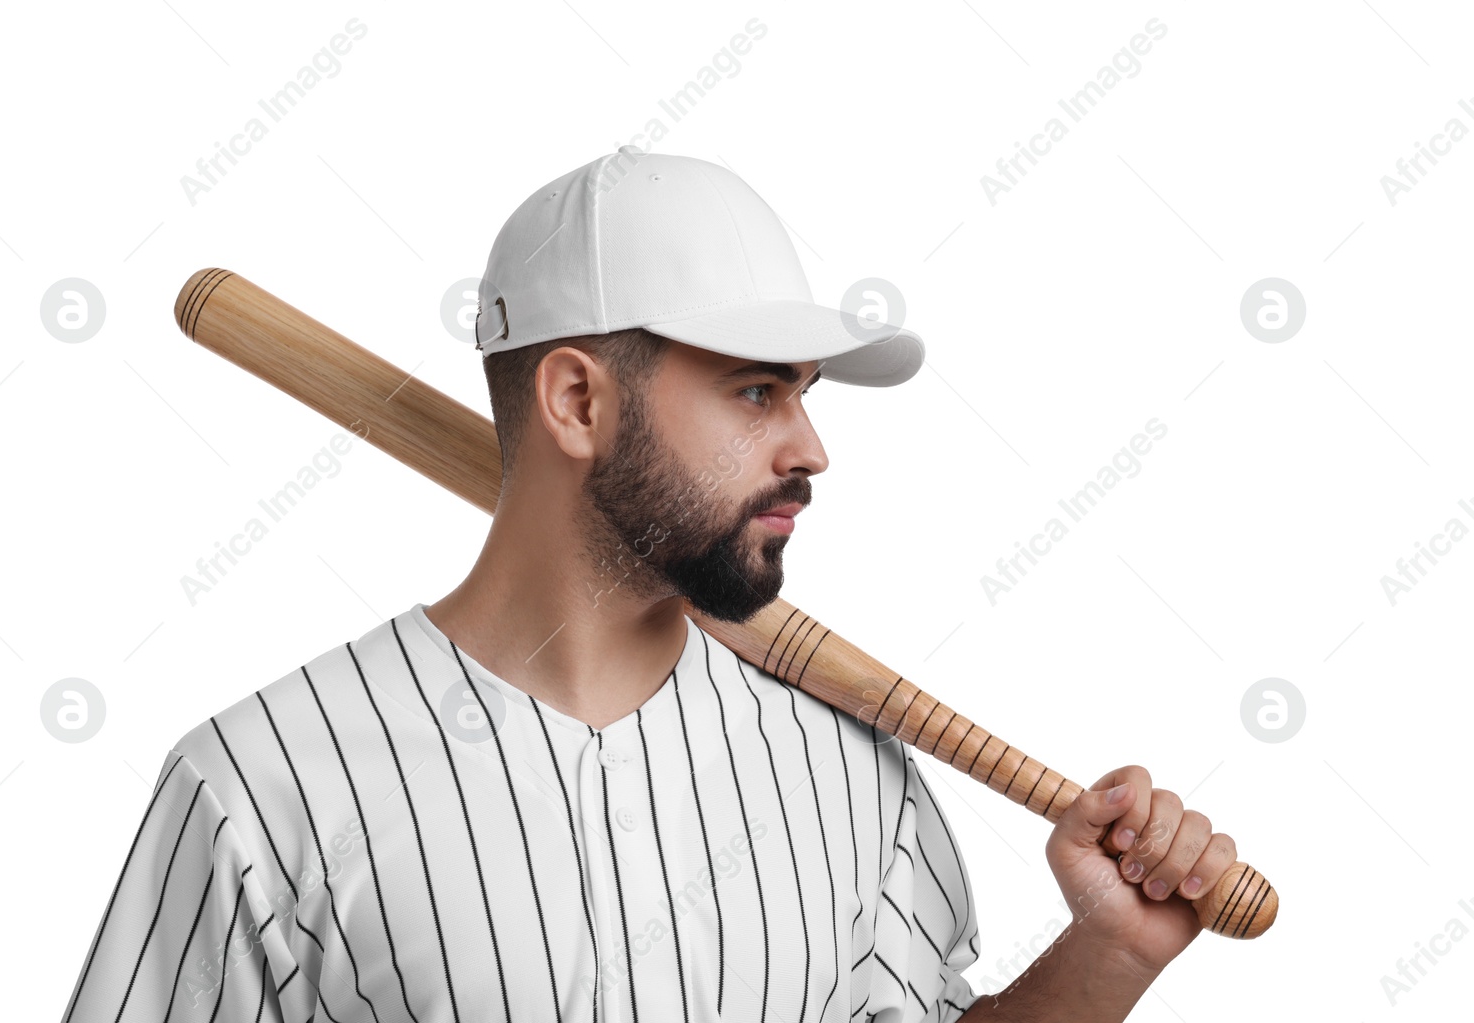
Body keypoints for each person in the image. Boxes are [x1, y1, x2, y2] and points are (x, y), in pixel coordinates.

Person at [61, 146, 1240, 1022]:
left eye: (802, 395)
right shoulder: (263, 781)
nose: (810, 449)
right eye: (752, 390)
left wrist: (1109, 956)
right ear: (577, 401)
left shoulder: (850, 773)